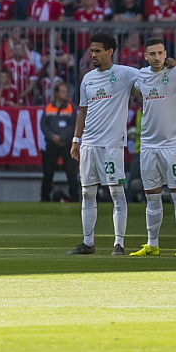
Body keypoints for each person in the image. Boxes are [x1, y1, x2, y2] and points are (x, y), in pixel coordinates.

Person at [68, 33, 138, 256]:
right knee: (88, 193)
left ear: (110, 51)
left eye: (97, 50)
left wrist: (168, 65)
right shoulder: (87, 78)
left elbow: (151, 75)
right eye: (91, 51)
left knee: (116, 191)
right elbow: (82, 111)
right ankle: (88, 243)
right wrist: (76, 139)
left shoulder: (125, 74)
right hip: (89, 143)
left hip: (112, 144)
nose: (93, 54)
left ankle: (119, 243)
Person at [128, 38, 176, 258]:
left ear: (165, 53)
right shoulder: (140, 76)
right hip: (148, 146)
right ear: (145, 56)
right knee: (152, 196)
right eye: (152, 54)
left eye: (160, 53)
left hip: (172, 145)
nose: (157, 58)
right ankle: (152, 243)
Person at [40, 81, 78, 202]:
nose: (65, 94)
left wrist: (61, 138)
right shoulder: (48, 107)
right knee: (48, 173)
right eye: (62, 92)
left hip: (67, 145)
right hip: (52, 144)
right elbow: (43, 125)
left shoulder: (71, 107)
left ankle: (75, 199)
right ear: (56, 93)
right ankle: (44, 199)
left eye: (66, 91)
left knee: (72, 173)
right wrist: (52, 136)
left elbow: (74, 125)